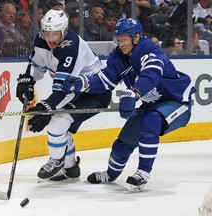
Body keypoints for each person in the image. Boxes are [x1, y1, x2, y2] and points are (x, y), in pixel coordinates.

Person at [63, 18, 196, 192]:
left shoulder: (148, 49)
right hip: (151, 104)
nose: (121, 43)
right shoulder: (118, 57)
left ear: (137, 37)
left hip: (177, 102)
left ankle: (143, 173)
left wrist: (134, 93)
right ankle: (110, 174)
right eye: (118, 39)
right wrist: (83, 83)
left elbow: (152, 73)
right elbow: (104, 81)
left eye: (124, 39)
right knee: (123, 142)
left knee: (151, 121)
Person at [16, 9, 111, 181]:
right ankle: (71, 168)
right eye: (47, 33)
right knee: (58, 125)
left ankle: (57, 160)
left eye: (55, 34)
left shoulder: (71, 47)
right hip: (74, 91)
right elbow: (37, 65)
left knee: (56, 124)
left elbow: (65, 89)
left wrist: (46, 108)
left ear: (64, 31)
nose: (51, 39)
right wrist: (28, 80)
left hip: (94, 93)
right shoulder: (41, 39)